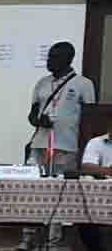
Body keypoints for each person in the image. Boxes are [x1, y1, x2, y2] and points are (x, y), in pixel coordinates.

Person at [28, 42, 96, 177]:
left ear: (68, 59)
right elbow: (32, 115)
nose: (49, 61)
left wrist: (84, 150)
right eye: (49, 57)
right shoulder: (42, 83)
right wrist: (39, 121)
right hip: (39, 146)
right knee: (34, 184)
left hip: (66, 148)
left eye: (54, 57)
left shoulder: (84, 84)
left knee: (62, 186)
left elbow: (89, 120)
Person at [78, 126, 112, 251]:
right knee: (82, 215)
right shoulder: (96, 142)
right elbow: (87, 167)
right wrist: (108, 171)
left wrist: (102, 170)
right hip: (101, 198)